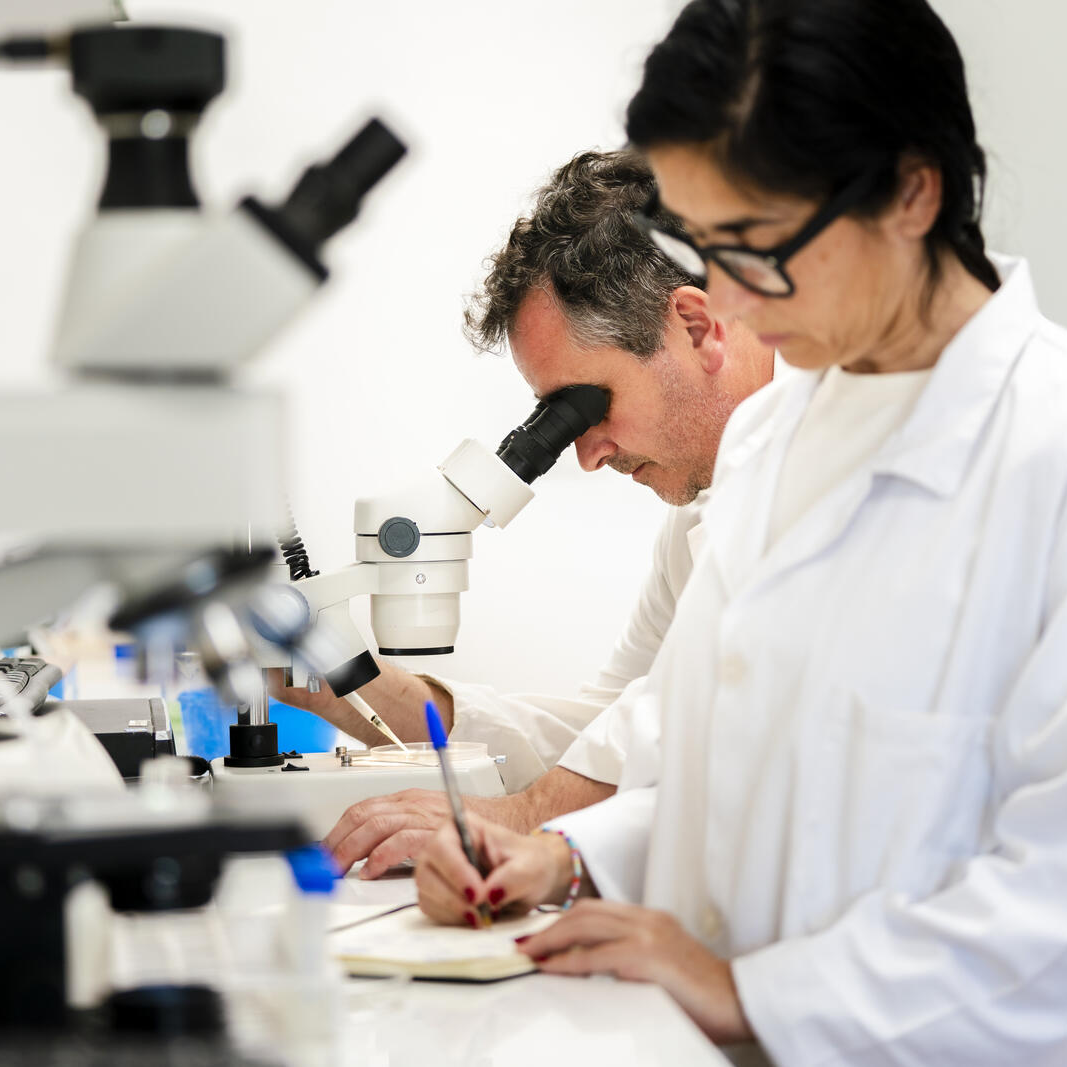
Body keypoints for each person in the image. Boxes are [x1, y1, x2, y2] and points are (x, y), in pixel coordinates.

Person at [415, 1, 1067, 1063]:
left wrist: (749, 990)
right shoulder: (774, 441)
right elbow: (742, 784)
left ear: (911, 192)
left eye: (755, 247)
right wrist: (568, 855)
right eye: (700, 246)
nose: (724, 298)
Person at [272, 149, 776, 874]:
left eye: (585, 405)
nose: (587, 456)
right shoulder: (699, 515)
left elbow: (703, 731)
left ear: (696, 327)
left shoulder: (835, 467)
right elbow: (602, 738)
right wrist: (341, 680)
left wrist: (515, 821)